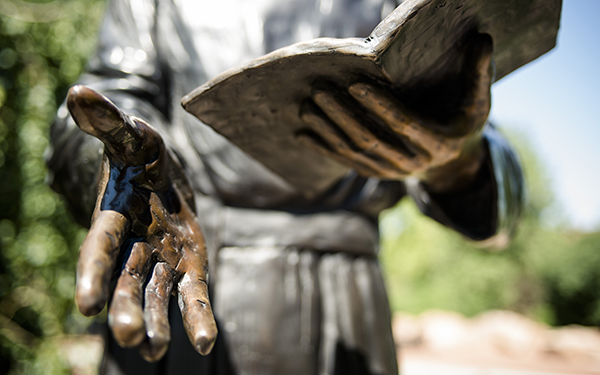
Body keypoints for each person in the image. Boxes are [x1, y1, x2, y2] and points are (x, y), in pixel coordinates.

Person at [46, 0, 524, 374]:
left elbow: (494, 182)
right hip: (189, 267)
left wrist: (457, 162)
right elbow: (100, 104)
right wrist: (118, 166)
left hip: (348, 305)